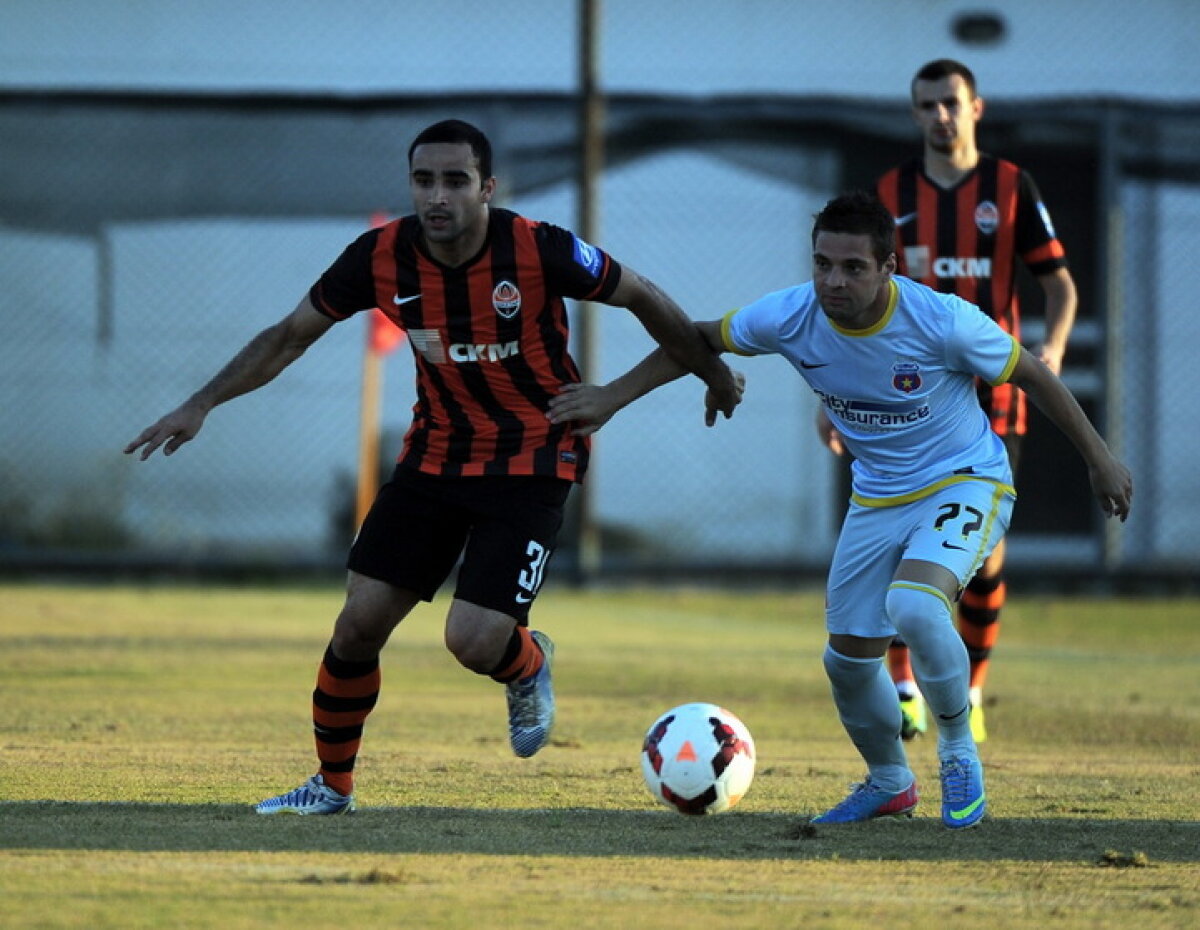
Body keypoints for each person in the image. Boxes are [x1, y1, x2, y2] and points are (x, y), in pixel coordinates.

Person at [124, 118, 742, 815]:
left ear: (487, 187)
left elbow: (646, 297)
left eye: (455, 181)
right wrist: (201, 403)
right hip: (437, 454)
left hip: (535, 454)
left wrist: (686, 380)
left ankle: (527, 662)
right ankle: (332, 786)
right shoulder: (378, 256)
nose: (437, 196)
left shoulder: (538, 249)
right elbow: (289, 336)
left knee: (473, 640)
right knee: (357, 624)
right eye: (424, 180)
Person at [548, 191, 1131, 828]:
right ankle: (889, 781)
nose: (833, 280)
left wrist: (1099, 458)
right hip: (877, 495)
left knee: (914, 605)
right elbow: (692, 339)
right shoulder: (792, 314)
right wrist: (614, 395)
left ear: (889, 268)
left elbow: (1036, 377)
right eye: (823, 264)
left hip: (965, 480)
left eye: (853, 267)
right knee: (848, 662)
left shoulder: (942, 321)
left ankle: (959, 751)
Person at [816, 58, 1080, 744]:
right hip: (895, 396)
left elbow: (1059, 286)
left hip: (990, 396)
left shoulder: (1010, 187)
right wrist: (832, 392)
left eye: (951, 103)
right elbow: (852, 300)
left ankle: (971, 689)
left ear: (976, 108)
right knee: (900, 544)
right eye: (927, 104)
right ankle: (904, 688)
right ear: (914, 113)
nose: (940, 115)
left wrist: (1050, 348)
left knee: (984, 559)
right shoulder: (891, 193)